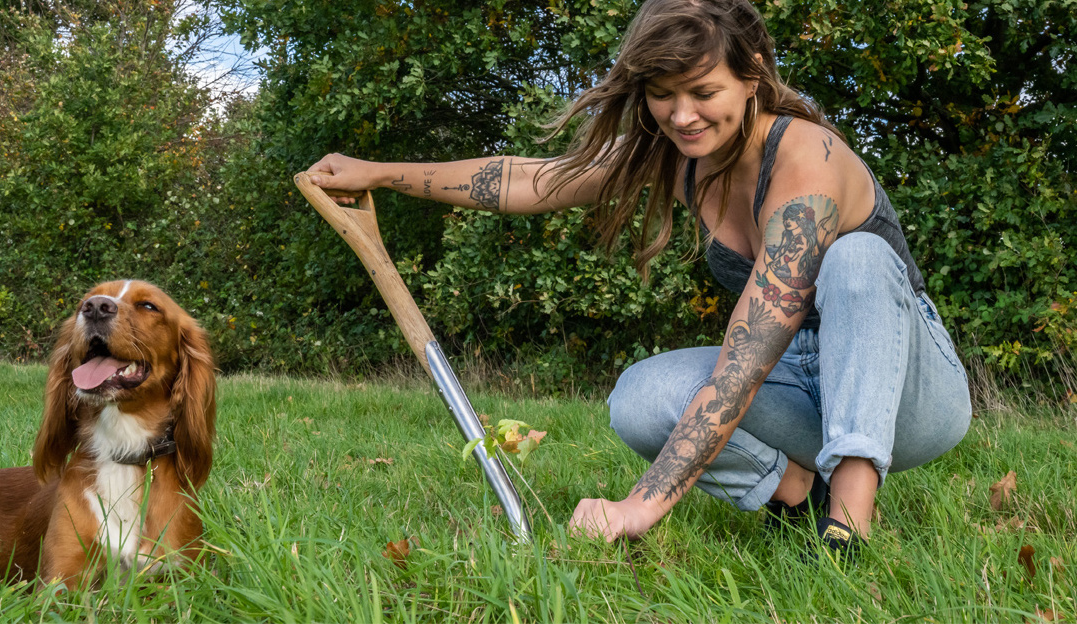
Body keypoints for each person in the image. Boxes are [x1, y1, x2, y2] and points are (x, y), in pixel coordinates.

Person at [306, 0, 971, 555]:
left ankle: (850, 522)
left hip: (912, 393)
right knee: (642, 398)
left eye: (703, 92)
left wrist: (639, 507)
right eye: (662, 94)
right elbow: (532, 179)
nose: (681, 115)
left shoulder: (806, 159)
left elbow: (744, 362)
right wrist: (383, 174)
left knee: (858, 258)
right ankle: (797, 493)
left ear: (753, 76)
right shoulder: (678, 157)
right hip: (805, 382)